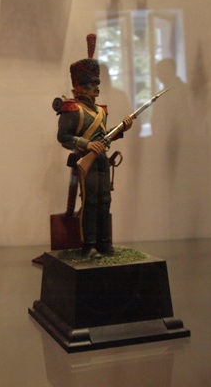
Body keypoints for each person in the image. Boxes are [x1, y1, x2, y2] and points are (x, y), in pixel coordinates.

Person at [56, 34, 133, 258]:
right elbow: (63, 137)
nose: (97, 88)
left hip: (101, 160)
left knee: (105, 201)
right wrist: (86, 144)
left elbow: (104, 137)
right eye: (92, 84)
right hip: (85, 161)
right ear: (81, 87)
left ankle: (104, 242)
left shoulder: (101, 111)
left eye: (97, 84)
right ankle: (88, 244)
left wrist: (122, 129)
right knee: (89, 201)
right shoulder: (71, 109)